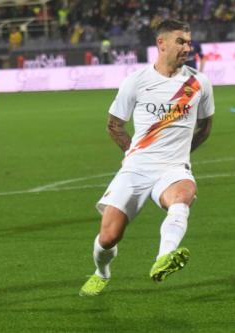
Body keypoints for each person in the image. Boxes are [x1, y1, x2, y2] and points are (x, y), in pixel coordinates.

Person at [79, 19, 214, 296]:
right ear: (161, 44)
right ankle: (101, 272)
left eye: (189, 42)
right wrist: (131, 152)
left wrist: (181, 155)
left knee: (183, 197)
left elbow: (206, 127)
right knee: (108, 237)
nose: (187, 47)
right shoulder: (137, 81)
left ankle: (163, 258)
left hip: (174, 168)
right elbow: (114, 124)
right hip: (137, 168)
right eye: (181, 41)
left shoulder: (198, 83)